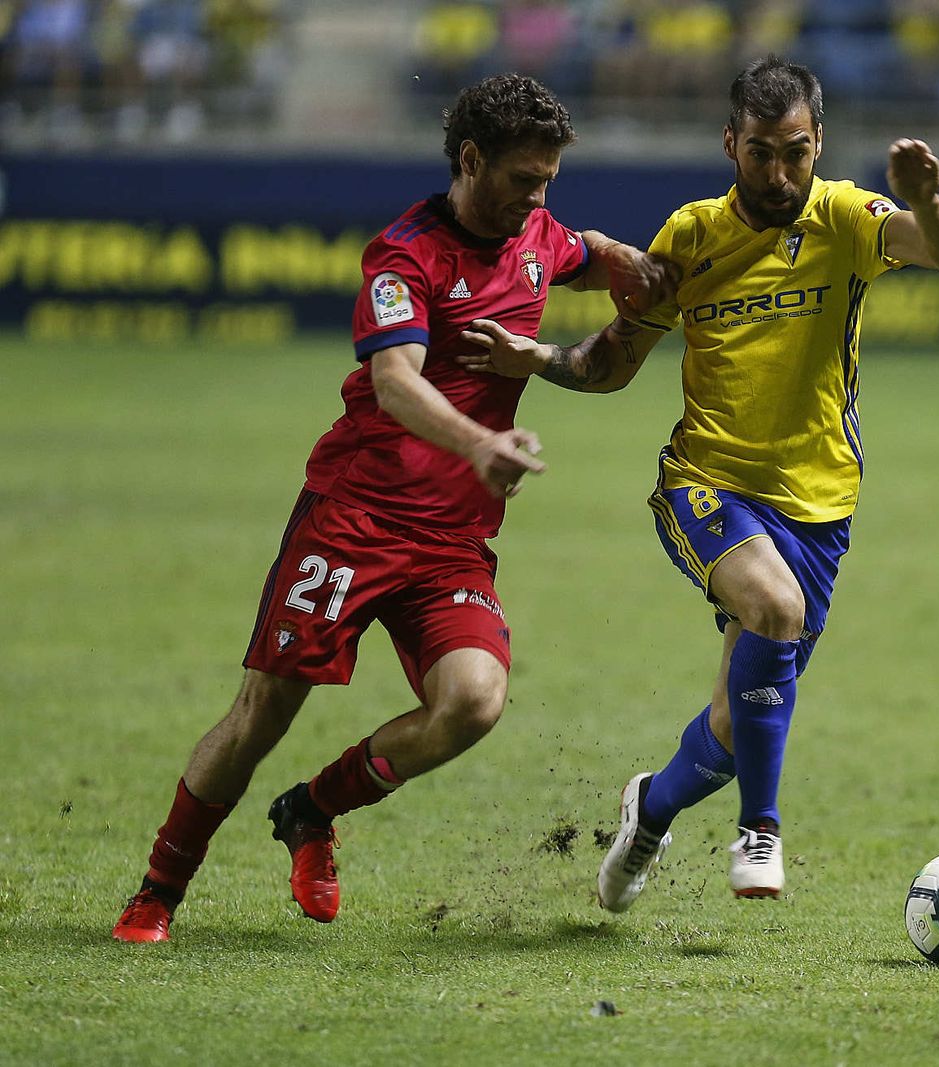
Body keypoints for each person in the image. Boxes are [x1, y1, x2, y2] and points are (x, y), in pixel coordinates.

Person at [111, 73, 676, 942]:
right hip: (355, 517)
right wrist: (480, 444)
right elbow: (395, 382)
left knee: (474, 702)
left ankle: (312, 808)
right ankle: (157, 890)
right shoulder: (404, 255)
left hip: (451, 541)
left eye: (549, 179)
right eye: (524, 178)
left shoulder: (536, 234)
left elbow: (578, 246)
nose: (538, 195)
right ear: (471, 159)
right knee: (264, 710)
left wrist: (623, 262)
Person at [453, 55, 939, 908]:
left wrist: (923, 198)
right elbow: (613, 362)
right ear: (730, 142)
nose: (779, 172)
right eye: (761, 151)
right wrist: (535, 357)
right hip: (706, 482)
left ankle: (647, 810)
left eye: (795, 153)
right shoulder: (690, 237)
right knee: (773, 608)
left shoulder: (845, 216)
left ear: (819, 145)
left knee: (736, 723)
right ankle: (761, 830)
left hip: (819, 505)